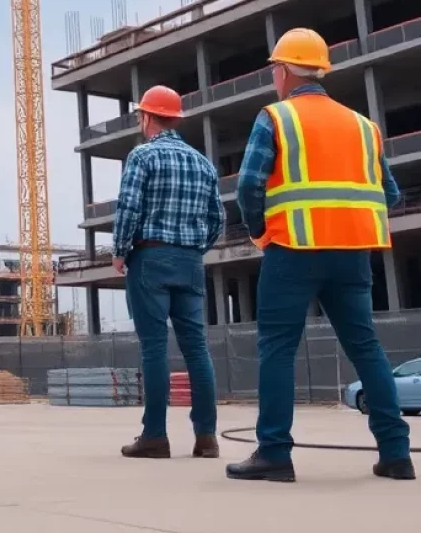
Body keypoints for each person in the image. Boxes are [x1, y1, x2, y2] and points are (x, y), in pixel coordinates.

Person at [227, 28, 414, 482]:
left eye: (275, 68)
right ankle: (396, 454)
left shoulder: (275, 117)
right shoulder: (362, 126)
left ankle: (274, 453)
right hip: (352, 254)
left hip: (293, 249)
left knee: (277, 349)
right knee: (366, 348)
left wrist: (261, 231)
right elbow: (390, 193)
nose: (274, 76)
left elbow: (249, 186)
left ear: (286, 71)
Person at [112, 84, 224, 460]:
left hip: (150, 258)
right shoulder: (202, 163)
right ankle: (206, 437)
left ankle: (155, 436)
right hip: (189, 260)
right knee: (197, 350)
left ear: (146, 117)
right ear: (175, 117)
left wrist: (120, 251)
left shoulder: (142, 157)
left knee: (154, 348)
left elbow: (128, 208)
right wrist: (193, 248)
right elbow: (216, 220)